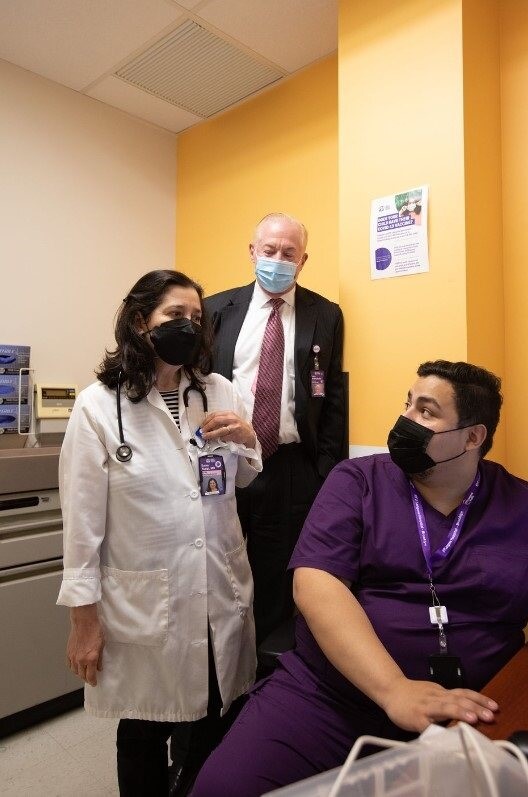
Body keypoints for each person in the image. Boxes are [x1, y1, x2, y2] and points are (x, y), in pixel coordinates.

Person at [191, 360, 528, 797]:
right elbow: (315, 584)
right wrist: (394, 690)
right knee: (223, 787)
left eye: (426, 412)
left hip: (469, 708)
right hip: (330, 697)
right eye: (407, 404)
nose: (405, 420)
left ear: (473, 436)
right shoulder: (358, 481)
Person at [56, 269, 262, 796]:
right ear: (139, 320)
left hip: (217, 585)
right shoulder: (98, 407)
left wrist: (248, 439)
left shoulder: (219, 391)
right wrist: (84, 623)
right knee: (146, 726)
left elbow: (241, 473)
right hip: (146, 599)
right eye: (174, 316)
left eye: (196, 318)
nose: (187, 326)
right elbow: (81, 528)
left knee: (214, 722)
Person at [169, 212, 346, 795]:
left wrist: (329, 477)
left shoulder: (325, 314)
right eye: (269, 247)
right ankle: (201, 709)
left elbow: (331, 395)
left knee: (275, 585)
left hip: (292, 468)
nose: (278, 257)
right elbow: (188, 383)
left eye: (289, 251)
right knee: (212, 571)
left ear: (302, 260)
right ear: (251, 250)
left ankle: (258, 713)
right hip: (219, 460)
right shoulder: (215, 308)